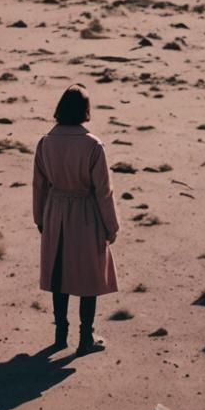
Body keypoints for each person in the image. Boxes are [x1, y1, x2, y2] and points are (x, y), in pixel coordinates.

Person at [33, 84, 120, 355]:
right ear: (85, 110)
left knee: (59, 275)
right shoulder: (93, 145)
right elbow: (103, 191)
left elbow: (39, 186)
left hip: (55, 211)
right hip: (85, 214)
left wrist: (40, 219)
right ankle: (85, 338)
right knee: (87, 277)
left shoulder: (46, 142)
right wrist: (111, 225)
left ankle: (60, 335)